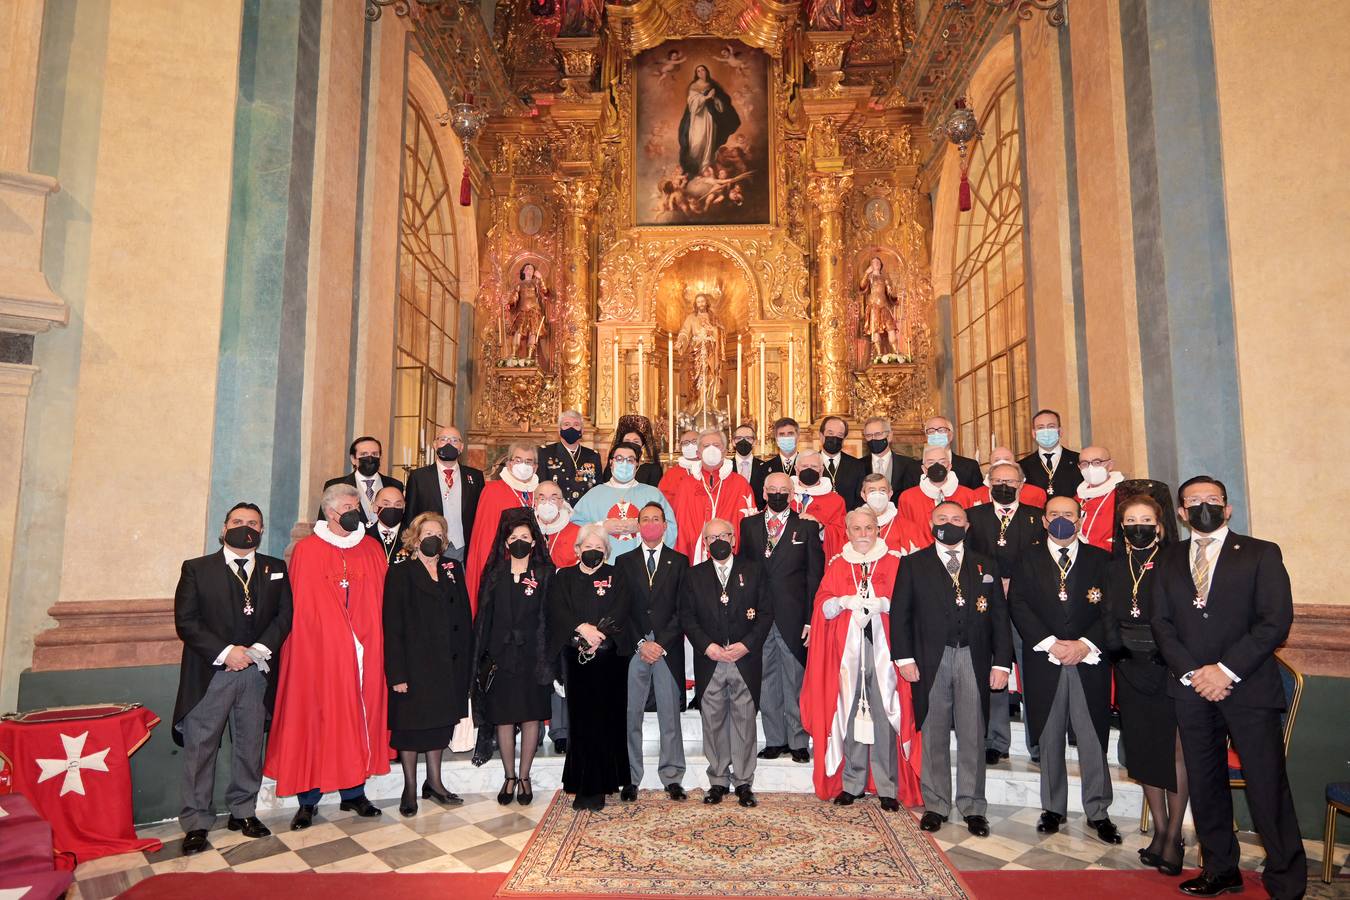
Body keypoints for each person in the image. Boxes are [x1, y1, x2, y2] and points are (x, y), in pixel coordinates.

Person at [1152, 476, 1304, 900]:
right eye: (1193, 501)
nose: (1203, 506)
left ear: (1228, 507)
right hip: (1192, 689)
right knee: (1205, 782)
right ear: (1181, 513)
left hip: (1249, 687)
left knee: (1266, 783)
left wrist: (1225, 671)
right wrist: (1195, 673)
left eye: (1212, 500)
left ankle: (1286, 878)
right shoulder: (1168, 559)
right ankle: (1221, 869)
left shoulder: (1260, 553)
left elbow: (1275, 620)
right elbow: (1161, 623)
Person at [264, 484, 389, 830]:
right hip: (318, 654)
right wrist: (332, 638)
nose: (355, 511)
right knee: (315, 717)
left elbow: (381, 602)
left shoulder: (371, 549)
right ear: (331, 513)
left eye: (356, 504)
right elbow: (303, 610)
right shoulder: (308, 551)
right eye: (348, 506)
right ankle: (308, 800)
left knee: (357, 714)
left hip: (364, 651)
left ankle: (354, 792)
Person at [173, 502, 293, 855]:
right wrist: (228, 652)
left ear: (262, 530)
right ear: (224, 529)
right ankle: (196, 822)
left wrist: (256, 650)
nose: (246, 527)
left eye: (253, 523)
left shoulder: (276, 568)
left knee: (249, 746)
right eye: (238, 522)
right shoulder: (197, 569)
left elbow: (284, 617)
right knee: (200, 749)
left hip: (256, 673)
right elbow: (187, 621)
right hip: (211, 673)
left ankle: (243, 812)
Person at [893, 502, 1012, 837]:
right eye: (943, 519)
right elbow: (900, 614)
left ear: (968, 525)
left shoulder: (985, 564)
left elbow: (1000, 619)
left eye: (957, 519)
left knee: (974, 732)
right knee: (933, 733)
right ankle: (936, 804)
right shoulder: (913, 564)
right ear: (931, 523)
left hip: (973, 659)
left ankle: (973, 806)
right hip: (931, 660)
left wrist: (1001, 662)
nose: (950, 524)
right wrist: (904, 659)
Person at [1008, 495, 1121, 844]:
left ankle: (1098, 811)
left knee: (1092, 738)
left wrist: (1085, 644)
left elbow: (1112, 610)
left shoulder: (1102, 560)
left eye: (1068, 515)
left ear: (1080, 519)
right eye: (1054, 514)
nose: (1061, 520)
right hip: (1046, 660)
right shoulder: (1027, 559)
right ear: (1044, 521)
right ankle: (1053, 808)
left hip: (1089, 662)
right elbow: (1019, 604)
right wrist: (1049, 642)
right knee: (1050, 735)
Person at [801, 507, 921, 809]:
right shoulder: (839, 564)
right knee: (850, 713)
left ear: (877, 529)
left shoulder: (896, 562)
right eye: (857, 529)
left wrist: (885, 604)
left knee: (885, 716)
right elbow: (821, 602)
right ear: (848, 531)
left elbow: (913, 605)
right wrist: (842, 601)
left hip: (885, 651)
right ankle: (852, 782)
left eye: (869, 528)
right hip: (847, 654)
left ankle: (887, 786)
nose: (864, 534)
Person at [1101, 494, 1187, 876]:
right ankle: (1160, 830)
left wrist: (1166, 654)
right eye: (1131, 520)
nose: (1139, 526)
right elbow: (1106, 614)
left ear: (1160, 525)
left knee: (1173, 754)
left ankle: (1175, 835)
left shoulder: (1176, 562)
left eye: (1146, 519)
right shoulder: (1114, 566)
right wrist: (1118, 653)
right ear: (1122, 528)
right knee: (1143, 752)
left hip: (1168, 668)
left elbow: (1184, 615)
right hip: (1130, 670)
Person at [383, 512, 472, 816]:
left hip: (448, 665)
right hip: (413, 666)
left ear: (445, 540)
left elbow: (464, 617)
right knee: (410, 727)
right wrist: (397, 673)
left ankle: (435, 782)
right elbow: (392, 626)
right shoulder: (401, 572)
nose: (433, 537)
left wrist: (465, 665)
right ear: (415, 538)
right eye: (427, 532)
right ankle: (410, 787)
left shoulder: (453, 569)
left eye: (438, 532)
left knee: (440, 725)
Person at [681, 519, 770, 807]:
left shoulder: (754, 570)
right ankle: (718, 780)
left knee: (745, 721)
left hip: (744, 658)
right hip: (711, 660)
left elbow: (767, 612)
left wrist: (746, 645)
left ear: (733, 539)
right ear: (704, 543)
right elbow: (687, 617)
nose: (717, 540)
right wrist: (708, 647)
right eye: (711, 537)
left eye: (723, 535)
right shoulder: (693, 575)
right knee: (714, 721)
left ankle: (744, 782)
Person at [471, 509, 556, 807]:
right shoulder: (494, 574)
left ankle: (525, 776)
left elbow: (550, 618)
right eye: (513, 538)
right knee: (504, 719)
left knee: (531, 715)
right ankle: (509, 776)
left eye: (525, 537)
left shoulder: (545, 573)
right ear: (505, 543)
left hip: (534, 658)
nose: (519, 542)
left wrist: (548, 659)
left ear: (534, 542)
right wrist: (486, 656)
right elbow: (484, 619)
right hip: (500, 659)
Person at [739, 472, 823, 764]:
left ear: (792, 494)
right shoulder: (748, 526)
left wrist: (812, 619)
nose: (777, 494)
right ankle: (775, 739)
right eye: (771, 489)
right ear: (763, 493)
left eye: (782, 490)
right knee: (766, 678)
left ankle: (799, 740)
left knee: (794, 678)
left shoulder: (807, 528)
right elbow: (744, 573)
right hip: (759, 617)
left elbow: (815, 577)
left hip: (794, 617)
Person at [966, 459, 1044, 766]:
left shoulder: (1038, 518)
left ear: (1022, 486)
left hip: (1029, 608)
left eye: (1011, 482)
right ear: (988, 483)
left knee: (1034, 672)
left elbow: (1043, 562)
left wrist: (1018, 584)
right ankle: (995, 740)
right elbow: (969, 560)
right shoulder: (973, 517)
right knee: (994, 670)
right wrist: (993, 582)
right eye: (998, 480)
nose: (1004, 486)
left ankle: (1038, 741)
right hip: (988, 605)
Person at [550, 525, 633, 810]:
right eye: (587, 547)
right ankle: (579, 783)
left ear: (606, 552)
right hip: (576, 659)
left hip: (609, 659)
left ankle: (600, 785)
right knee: (581, 721)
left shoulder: (616, 575)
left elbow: (622, 608)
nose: (593, 551)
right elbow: (558, 609)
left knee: (605, 720)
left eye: (599, 547)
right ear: (577, 550)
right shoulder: (564, 577)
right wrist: (582, 629)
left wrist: (599, 637)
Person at [616, 502, 689, 800]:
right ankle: (630, 777)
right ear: (638, 525)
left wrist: (660, 643)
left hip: (667, 648)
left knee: (669, 715)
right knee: (631, 713)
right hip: (635, 647)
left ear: (665, 525)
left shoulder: (680, 561)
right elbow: (621, 609)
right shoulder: (623, 562)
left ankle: (672, 776)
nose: (650, 524)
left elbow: (684, 609)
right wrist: (641, 643)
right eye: (645, 519)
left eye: (655, 519)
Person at [572, 441, 676, 563]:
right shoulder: (593, 495)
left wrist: (641, 527)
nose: (624, 464)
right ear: (611, 463)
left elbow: (670, 528)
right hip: (603, 566)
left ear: (637, 464)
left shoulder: (653, 494)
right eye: (619, 459)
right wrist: (601, 527)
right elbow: (574, 527)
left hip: (642, 565)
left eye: (630, 460)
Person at [464, 444, 540, 608]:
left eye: (529, 461)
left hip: (534, 569)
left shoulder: (541, 492)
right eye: (518, 460)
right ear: (509, 463)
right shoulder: (493, 491)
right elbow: (484, 538)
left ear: (535, 467)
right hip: (502, 571)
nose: (523, 465)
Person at [670, 430, 757, 565]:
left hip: (731, 558)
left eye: (716, 445)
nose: (711, 450)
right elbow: (680, 525)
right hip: (695, 556)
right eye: (706, 446)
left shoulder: (740, 484)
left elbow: (750, 527)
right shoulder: (685, 484)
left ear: (725, 451)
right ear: (698, 453)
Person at [404, 425, 484, 563]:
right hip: (429, 547)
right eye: (443, 439)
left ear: (461, 447)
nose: (448, 444)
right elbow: (410, 515)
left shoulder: (475, 477)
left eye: (454, 440)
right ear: (435, 445)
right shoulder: (419, 477)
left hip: (464, 548)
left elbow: (481, 514)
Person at [320, 436, 404, 526]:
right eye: (364, 454)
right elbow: (324, 522)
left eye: (375, 454)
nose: (370, 458)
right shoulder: (334, 485)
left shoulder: (395, 485)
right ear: (353, 459)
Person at [896, 445, 978, 534]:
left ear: (949, 467)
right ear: (924, 469)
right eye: (931, 463)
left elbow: (974, 529)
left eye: (942, 462)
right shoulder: (907, 498)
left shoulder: (969, 495)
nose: (937, 466)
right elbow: (904, 530)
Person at [792, 450, 848, 559]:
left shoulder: (836, 501)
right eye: (804, 466)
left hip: (820, 557)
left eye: (814, 466)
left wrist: (820, 527)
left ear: (821, 470)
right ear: (796, 470)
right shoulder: (784, 495)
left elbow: (841, 534)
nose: (809, 469)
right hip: (787, 558)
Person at [899, 417, 982, 490]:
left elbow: (978, 500)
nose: (936, 434)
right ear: (926, 437)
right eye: (931, 431)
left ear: (951, 435)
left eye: (941, 430)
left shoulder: (970, 466)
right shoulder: (912, 469)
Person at [540, 410, 602, 507]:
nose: (571, 428)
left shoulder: (592, 456)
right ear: (559, 430)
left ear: (582, 431)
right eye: (566, 424)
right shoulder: (545, 453)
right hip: (555, 510)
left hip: (584, 511)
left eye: (576, 425)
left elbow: (598, 489)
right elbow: (541, 486)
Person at [1018, 409, 1083, 499]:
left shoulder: (1079, 460)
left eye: (1051, 426)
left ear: (1060, 431)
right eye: (1040, 427)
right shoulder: (1022, 466)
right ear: (1033, 433)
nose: (1046, 432)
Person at [860, 473, 927, 553]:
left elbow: (922, 558)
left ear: (890, 494)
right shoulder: (853, 525)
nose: (878, 495)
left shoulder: (908, 527)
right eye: (872, 490)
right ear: (863, 495)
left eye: (883, 490)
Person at [1074, 446, 1125, 551]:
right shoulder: (1076, 498)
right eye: (1085, 463)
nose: (1090, 468)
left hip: (1110, 556)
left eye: (1097, 462)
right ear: (1079, 468)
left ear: (1110, 465)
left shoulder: (1124, 496)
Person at [861, 416, 920, 503]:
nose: (873, 439)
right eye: (869, 435)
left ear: (889, 436)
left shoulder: (909, 465)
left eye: (878, 434)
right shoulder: (858, 465)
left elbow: (913, 496)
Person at [968, 447, 1048, 508]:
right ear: (990, 465)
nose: (1002, 463)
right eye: (997, 460)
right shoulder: (975, 495)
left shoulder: (1036, 493)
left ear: (1015, 463)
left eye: (1007, 459)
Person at [601, 415, 663, 487]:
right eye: (627, 441)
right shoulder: (612, 467)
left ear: (642, 445)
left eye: (636, 442)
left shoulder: (653, 469)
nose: (631, 445)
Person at [818, 416, 866, 509]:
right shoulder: (810, 463)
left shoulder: (857, 465)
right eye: (830, 433)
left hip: (847, 520)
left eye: (840, 435)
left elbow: (860, 499)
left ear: (844, 439)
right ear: (821, 435)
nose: (835, 438)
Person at [534, 480, 580, 568]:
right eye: (542, 499)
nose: (547, 504)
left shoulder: (578, 533)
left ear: (561, 503)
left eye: (553, 499)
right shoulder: (527, 530)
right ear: (535, 502)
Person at [731, 422, 769, 507]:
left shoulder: (765, 467)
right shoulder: (725, 467)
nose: (743, 441)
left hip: (758, 516)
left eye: (748, 438)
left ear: (754, 442)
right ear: (733, 442)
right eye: (739, 438)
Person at [367, 485, 407, 564]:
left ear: (404, 508)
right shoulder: (364, 536)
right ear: (375, 507)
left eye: (398, 505)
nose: (392, 508)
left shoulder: (414, 537)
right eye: (386, 504)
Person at [658, 429, 701, 500]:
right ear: (681, 448)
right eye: (685, 443)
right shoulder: (671, 474)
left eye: (694, 441)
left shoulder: (710, 469)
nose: (690, 445)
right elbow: (663, 500)